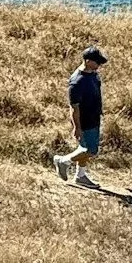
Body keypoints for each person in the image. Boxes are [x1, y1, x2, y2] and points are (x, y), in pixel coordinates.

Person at [54, 45, 108, 184]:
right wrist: (76, 127)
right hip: (85, 120)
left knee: (83, 148)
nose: (99, 65)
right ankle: (63, 161)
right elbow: (74, 107)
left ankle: (80, 176)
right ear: (88, 60)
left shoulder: (93, 75)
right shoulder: (77, 82)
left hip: (94, 117)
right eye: (97, 62)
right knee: (90, 150)